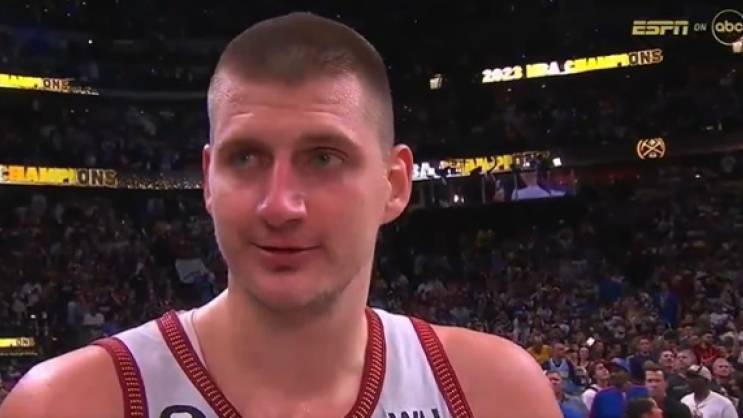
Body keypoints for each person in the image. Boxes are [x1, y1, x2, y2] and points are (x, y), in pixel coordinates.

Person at [0, 12, 560, 418]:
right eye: (246, 158)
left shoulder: (494, 395)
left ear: (393, 184)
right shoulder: (67, 404)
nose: (280, 205)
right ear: (209, 181)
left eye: (323, 158)